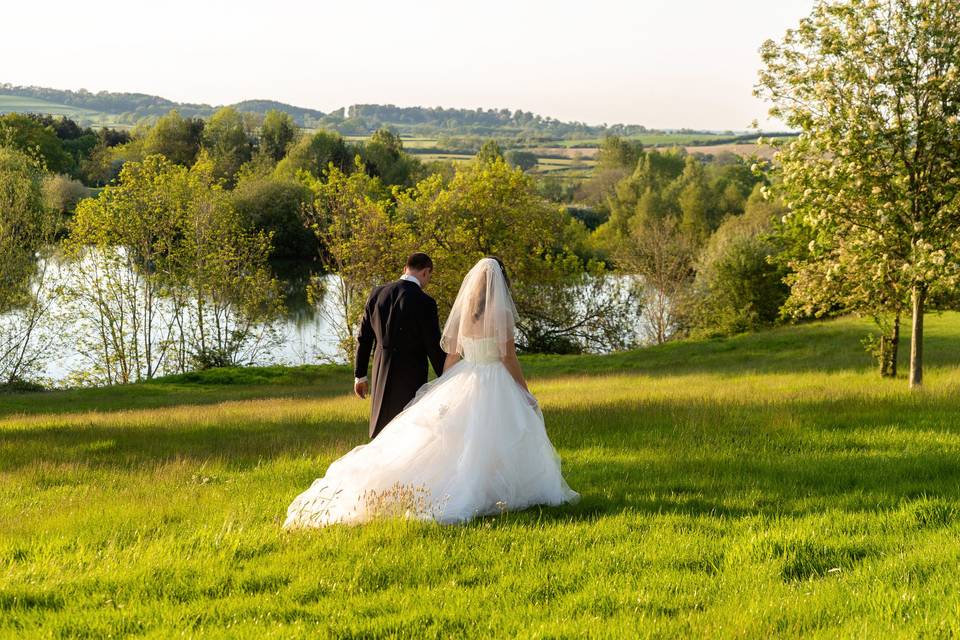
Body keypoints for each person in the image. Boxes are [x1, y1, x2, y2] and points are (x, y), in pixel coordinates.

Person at [284, 257, 578, 527]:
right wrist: (524, 391)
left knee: (466, 439)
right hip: (494, 378)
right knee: (498, 435)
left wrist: (447, 385)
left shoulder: (465, 313)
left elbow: (450, 356)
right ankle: (491, 489)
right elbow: (508, 357)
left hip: (467, 374)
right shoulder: (500, 312)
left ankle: (476, 485)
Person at [353, 252, 445, 439]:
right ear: (426, 272)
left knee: (382, 427)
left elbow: (364, 338)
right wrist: (448, 375)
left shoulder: (376, 294)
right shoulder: (425, 302)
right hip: (410, 374)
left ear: (405, 269)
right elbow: (433, 346)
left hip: (381, 370)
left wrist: (360, 375)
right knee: (407, 430)